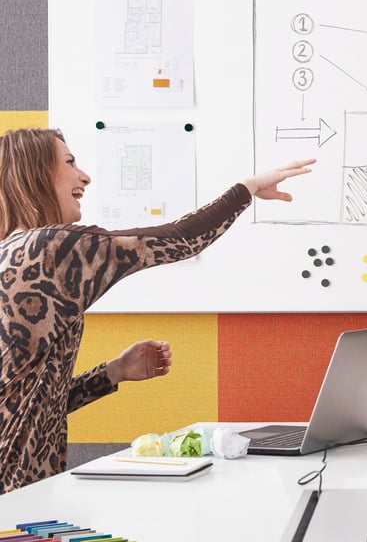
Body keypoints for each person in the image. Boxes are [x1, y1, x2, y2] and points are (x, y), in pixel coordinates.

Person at [0, 126, 314, 493]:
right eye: (69, 162)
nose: (84, 176)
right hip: (15, 498)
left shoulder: (10, 252)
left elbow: (29, 405)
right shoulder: (47, 249)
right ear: (35, 175)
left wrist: (112, 372)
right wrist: (249, 188)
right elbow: (179, 239)